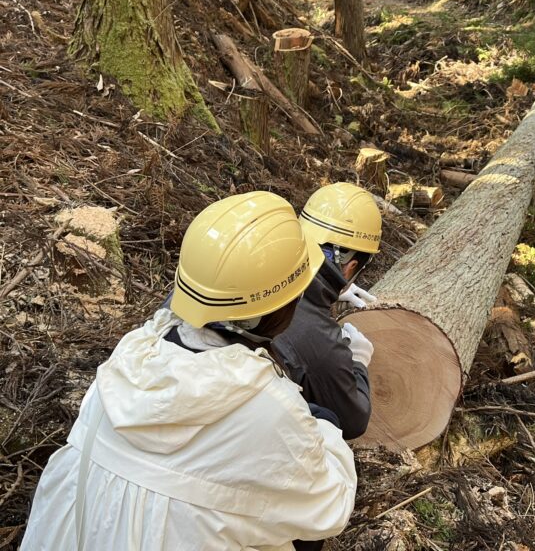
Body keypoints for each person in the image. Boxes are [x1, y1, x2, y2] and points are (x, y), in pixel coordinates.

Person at [21, 192, 357, 551]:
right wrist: (324, 428)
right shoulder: (266, 406)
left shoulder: (132, 355)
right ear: (280, 306)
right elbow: (330, 507)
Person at [272, 182, 382, 440]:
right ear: (351, 266)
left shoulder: (254, 266)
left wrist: (324, 290)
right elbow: (354, 420)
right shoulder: (320, 340)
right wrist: (358, 361)